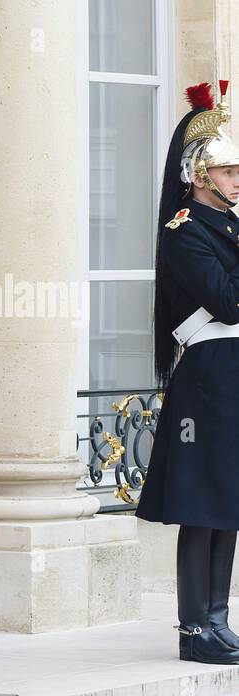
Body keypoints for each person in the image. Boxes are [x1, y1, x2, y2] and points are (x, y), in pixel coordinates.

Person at [136, 81, 239, 666]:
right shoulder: (184, 232)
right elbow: (225, 303)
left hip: (232, 370)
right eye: (227, 173)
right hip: (206, 375)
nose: (236, 180)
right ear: (200, 176)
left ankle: (219, 617)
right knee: (202, 504)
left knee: (228, 501)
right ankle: (194, 627)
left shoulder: (229, 228)